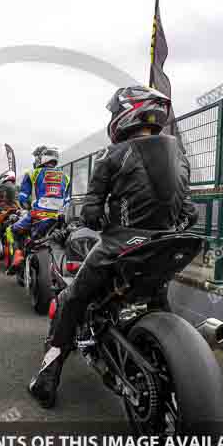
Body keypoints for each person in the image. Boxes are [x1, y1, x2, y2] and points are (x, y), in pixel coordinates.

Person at [28, 86, 198, 408]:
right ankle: (178, 368)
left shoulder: (112, 154)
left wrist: (102, 218)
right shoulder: (181, 156)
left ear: (125, 113)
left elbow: (91, 214)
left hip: (120, 246)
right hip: (168, 244)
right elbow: (190, 212)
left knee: (70, 299)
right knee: (158, 300)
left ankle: (47, 380)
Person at [7, 146, 70, 274]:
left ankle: (18, 256)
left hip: (38, 216)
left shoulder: (32, 173)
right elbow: (67, 201)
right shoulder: (65, 176)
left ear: (43, 159)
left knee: (12, 230)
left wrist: (27, 208)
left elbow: (23, 199)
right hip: (59, 219)